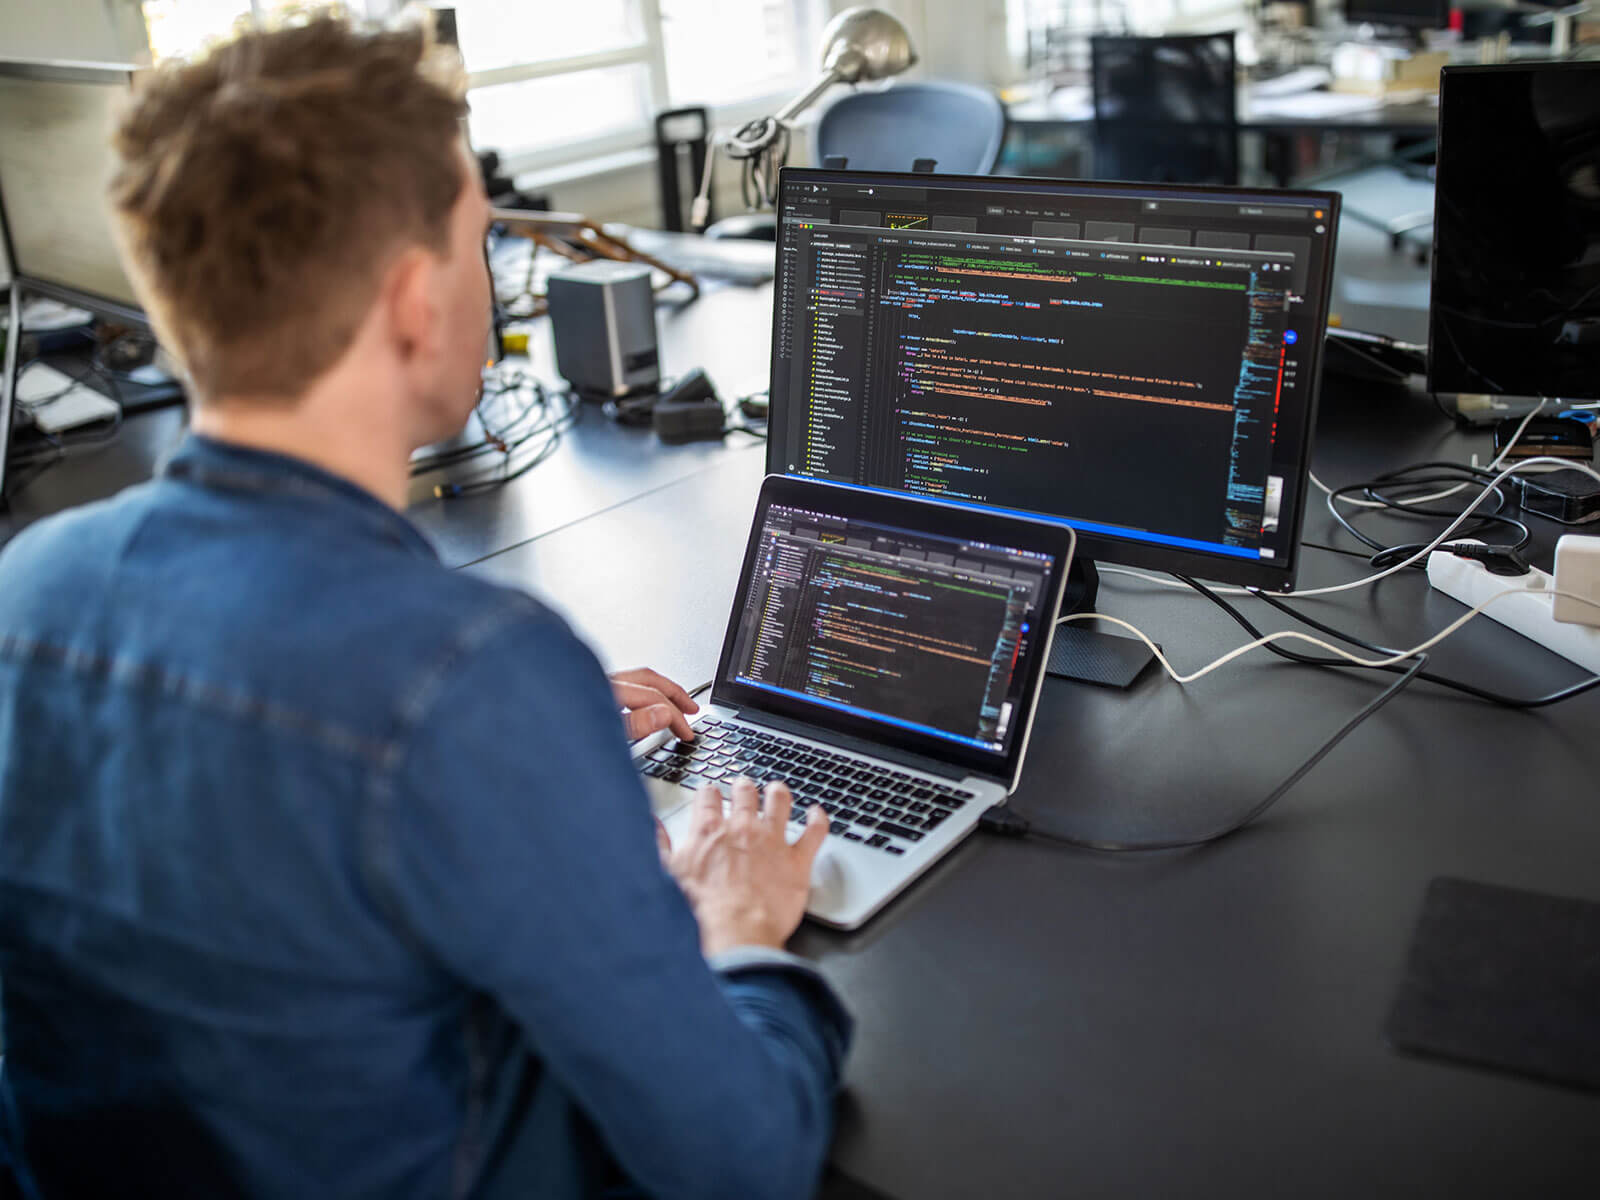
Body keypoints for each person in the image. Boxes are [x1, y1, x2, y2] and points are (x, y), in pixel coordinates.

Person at [0, 12, 850, 1200]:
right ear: (413, 300)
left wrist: (524, 760)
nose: (488, 268)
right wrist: (741, 933)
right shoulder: (470, 675)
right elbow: (743, 1159)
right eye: (480, 240)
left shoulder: (25, 588)